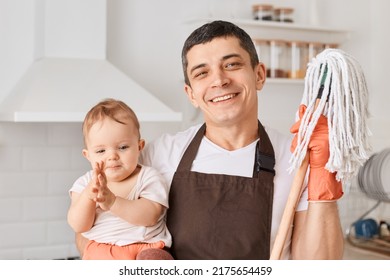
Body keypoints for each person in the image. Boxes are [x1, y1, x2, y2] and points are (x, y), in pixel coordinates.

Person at [75, 20, 344, 260]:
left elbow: (319, 266)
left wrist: (323, 181)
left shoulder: (297, 159)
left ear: (259, 75)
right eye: (202, 73)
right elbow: (88, 232)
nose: (219, 80)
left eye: (232, 64)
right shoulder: (159, 155)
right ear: (191, 93)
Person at [67, 98, 173, 260]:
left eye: (123, 147)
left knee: (156, 260)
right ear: (88, 156)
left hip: (144, 248)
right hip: (101, 250)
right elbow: (78, 225)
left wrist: (112, 202)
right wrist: (89, 196)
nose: (112, 156)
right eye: (101, 151)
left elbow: (149, 216)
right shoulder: (84, 184)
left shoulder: (149, 177)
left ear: (139, 147)